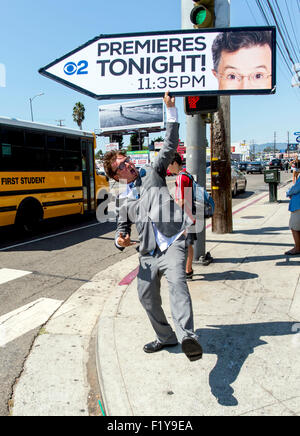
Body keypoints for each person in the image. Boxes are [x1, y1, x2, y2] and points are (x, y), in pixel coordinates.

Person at [103, 92, 203, 362]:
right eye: (122, 166)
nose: (128, 165)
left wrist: (171, 112)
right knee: (146, 296)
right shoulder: (122, 198)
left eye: (127, 161)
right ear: (116, 176)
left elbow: (170, 145)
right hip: (148, 253)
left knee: (178, 283)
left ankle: (187, 337)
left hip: (173, 241)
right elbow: (121, 228)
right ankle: (166, 337)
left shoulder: (154, 171)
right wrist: (120, 240)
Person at [167, 152, 196, 281]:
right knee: (188, 244)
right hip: (190, 213)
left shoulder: (180, 177)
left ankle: (187, 271)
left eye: (169, 165)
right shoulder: (187, 175)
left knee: (185, 244)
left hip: (185, 216)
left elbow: (182, 200)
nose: (168, 168)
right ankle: (188, 270)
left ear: (174, 163)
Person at [285, 176, 300, 255]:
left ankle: (297, 248)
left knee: (294, 227)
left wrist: (288, 192)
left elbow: (296, 188)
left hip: (298, 206)